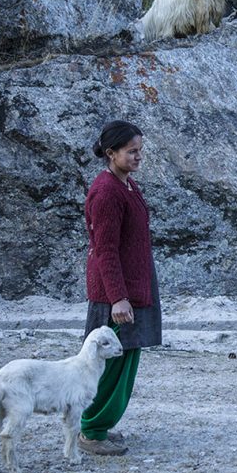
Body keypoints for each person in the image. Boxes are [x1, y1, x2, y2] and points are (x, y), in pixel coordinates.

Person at [78, 120, 162, 456]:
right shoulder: (106, 192)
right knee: (109, 363)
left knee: (124, 360)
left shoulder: (126, 186)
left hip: (133, 289)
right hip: (116, 295)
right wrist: (118, 299)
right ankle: (91, 431)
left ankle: (102, 425)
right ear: (111, 153)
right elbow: (105, 251)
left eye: (140, 150)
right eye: (131, 151)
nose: (138, 156)